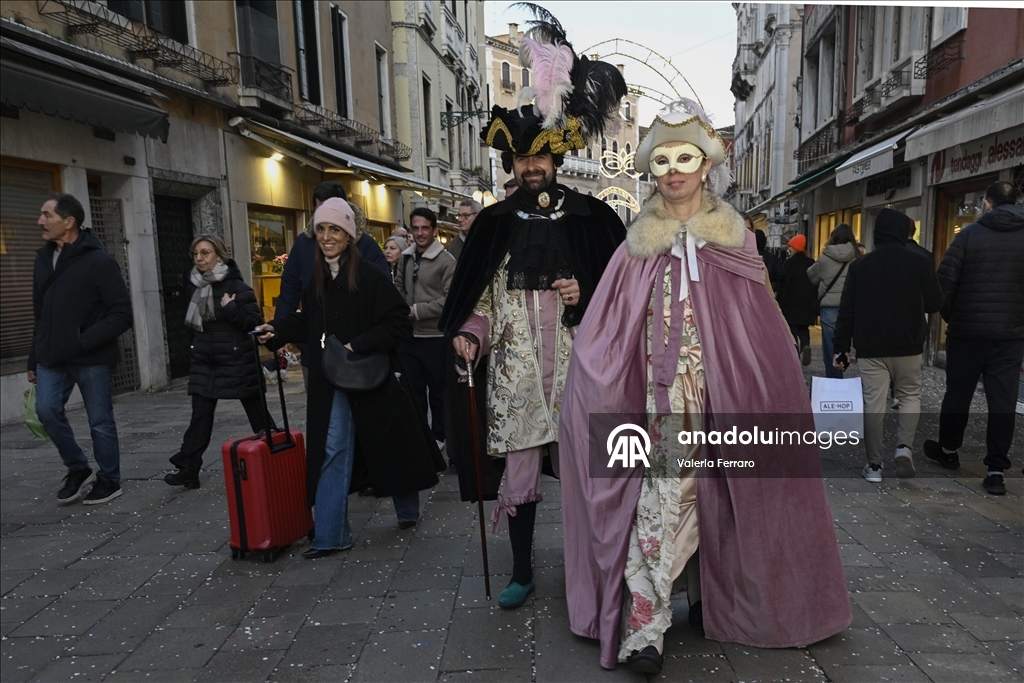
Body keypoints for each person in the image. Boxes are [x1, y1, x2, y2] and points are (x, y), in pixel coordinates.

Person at [559, 99, 851, 673]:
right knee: (663, 499)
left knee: (728, 500)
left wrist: (772, 387)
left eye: (685, 158)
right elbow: (606, 327)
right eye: (662, 160)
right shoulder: (633, 249)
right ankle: (644, 629)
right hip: (659, 406)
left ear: (705, 165)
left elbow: (761, 324)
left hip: (728, 400)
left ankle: (706, 596)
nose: (674, 170)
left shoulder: (737, 244)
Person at [440, 11, 627, 611]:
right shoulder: (493, 226)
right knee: (519, 481)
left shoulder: (594, 219)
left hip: (580, 374)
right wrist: (470, 335)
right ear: (509, 166)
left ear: (557, 156)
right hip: (518, 376)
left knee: (589, 477)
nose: (530, 168)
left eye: (538, 158)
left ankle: (596, 567)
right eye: (519, 161)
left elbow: (621, 296)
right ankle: (521, 569)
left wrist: (585, 296)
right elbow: (481, 300)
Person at [258, 199, 442, 557]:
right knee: (333, 448)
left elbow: (398, 323)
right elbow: (310, 322)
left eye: (335, 230)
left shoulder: (370, 276)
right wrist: (276, 329)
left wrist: (357, 344)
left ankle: (407, 509)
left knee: (390, 443)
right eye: (321, 230)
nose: (327, 237)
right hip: (333, 377)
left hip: (372, 374)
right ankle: (331, 535)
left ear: (349, 235)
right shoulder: (317, 277)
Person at [29, 193, 134, 505]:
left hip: (92, 357)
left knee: (100, 421)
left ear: (69, 222)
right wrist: (34, 357)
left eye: (47, 215)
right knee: (46, 410)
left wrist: (83, 341)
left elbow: (122, 314)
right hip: (51, 356)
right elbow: (40, 313)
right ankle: (77, 467)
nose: (40, 222)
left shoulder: (99, 261)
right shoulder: (42, 259)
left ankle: (109, 479)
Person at [925, 180, 1024, 496]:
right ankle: (996, 469)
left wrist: (956, 318)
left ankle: (949, 451)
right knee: (1003, 401)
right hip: (1010, 336)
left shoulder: (968, 235)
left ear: (987, 204)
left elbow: (944, 288)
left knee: (958, 395)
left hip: (967, 334)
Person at [831, 209, 943, 483]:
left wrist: (841, 346)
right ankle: (904, 448)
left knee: (874, 404)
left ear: (877, 233)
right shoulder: (920, 261)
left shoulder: (860, 265)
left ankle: (874, 466)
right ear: (904, 232)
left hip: (871, 346)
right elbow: (935, 302)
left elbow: (847, 310)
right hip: (909, 343)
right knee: (909, 396)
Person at [164, 236, 270, 489]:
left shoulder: (238, 287)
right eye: (195, 254)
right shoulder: (195, 286)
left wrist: (232, 309)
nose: (199, 258)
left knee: (258, 415)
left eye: (205, 253)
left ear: (219, 256)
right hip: (206, 360)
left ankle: (275, 456)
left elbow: (255, 326)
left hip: (236, 359)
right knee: (200, 415)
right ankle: (189, 468)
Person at [276, 182, 389, 388]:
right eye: (319, 212)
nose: (326, 235)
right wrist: (279, 331)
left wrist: (361, 342)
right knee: (324, 413)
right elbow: (290, 290)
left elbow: (387, 304)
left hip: (358, 353)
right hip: (316, 349)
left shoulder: (366, 247)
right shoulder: (304, 244)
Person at [395, 207, 457, 455]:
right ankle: (420, 434)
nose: (420, 233)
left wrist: (417, 310)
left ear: (434, 230)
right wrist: (399, 307)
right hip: (409, 337)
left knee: (438, 392)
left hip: (435, 336)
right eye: (416, 228)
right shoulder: (406, 257)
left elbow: (449, 300)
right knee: (413, 390)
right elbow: (398, 284)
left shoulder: (446, 261)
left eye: (425, 228)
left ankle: (439, 435)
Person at [807, 223, 858, 378]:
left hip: (829, 308)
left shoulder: (825, 259)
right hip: (853, 307)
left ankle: (834, 383)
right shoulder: (858, 258)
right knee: (861, 349)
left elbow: (811, 276)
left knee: (831, 349)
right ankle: (864, 384)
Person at [775, 234, 817, 365]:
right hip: (807, 303)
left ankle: (794, 356)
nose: (789, 249)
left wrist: (779, 305)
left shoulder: (789, 264)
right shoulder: (811, 263)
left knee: (792, 330)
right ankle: (805, 346)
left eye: (791, 247)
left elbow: (784, 287)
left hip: (791, 305)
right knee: (803, 328)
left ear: (795, 248)